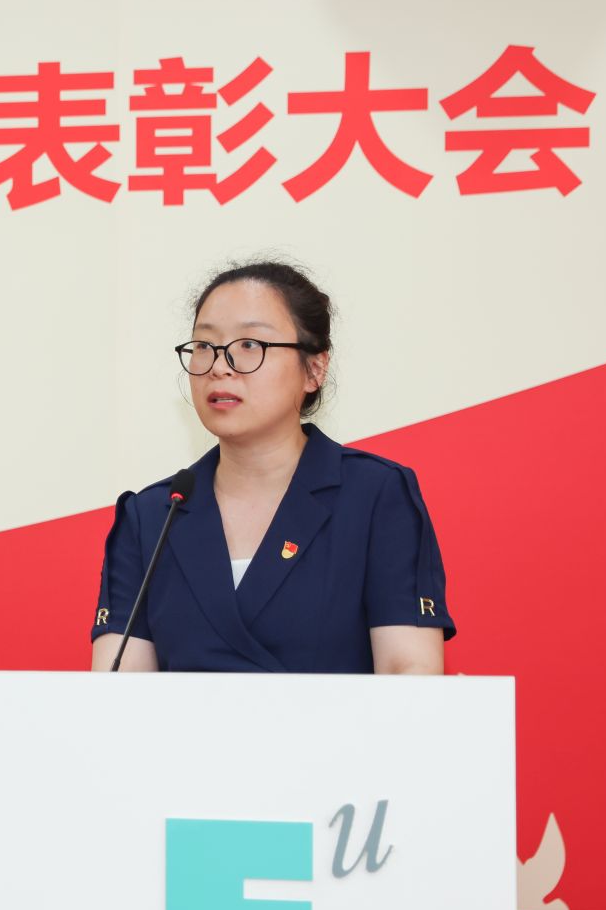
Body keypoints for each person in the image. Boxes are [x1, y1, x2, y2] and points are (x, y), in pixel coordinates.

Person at [89, 262, 454, 674]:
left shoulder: (374, 497)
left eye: (249, 344)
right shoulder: (152, 516)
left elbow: (409, 677)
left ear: (314, 369)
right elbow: (118, 692)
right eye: (205, 345)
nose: (219, 366)